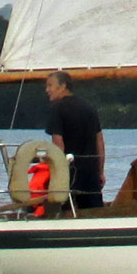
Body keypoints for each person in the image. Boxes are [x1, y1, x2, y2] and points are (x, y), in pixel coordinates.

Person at [44, 71, 106, 209]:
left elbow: (58, 144)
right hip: (91, 173)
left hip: (70, 174)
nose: (47, 90)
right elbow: (99, 141)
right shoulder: (89, 108)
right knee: (94, 211)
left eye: (50, 85)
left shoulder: (57, 109)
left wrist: (56, 174)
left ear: (63, 86)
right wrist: (100, 171)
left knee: (65, 211)